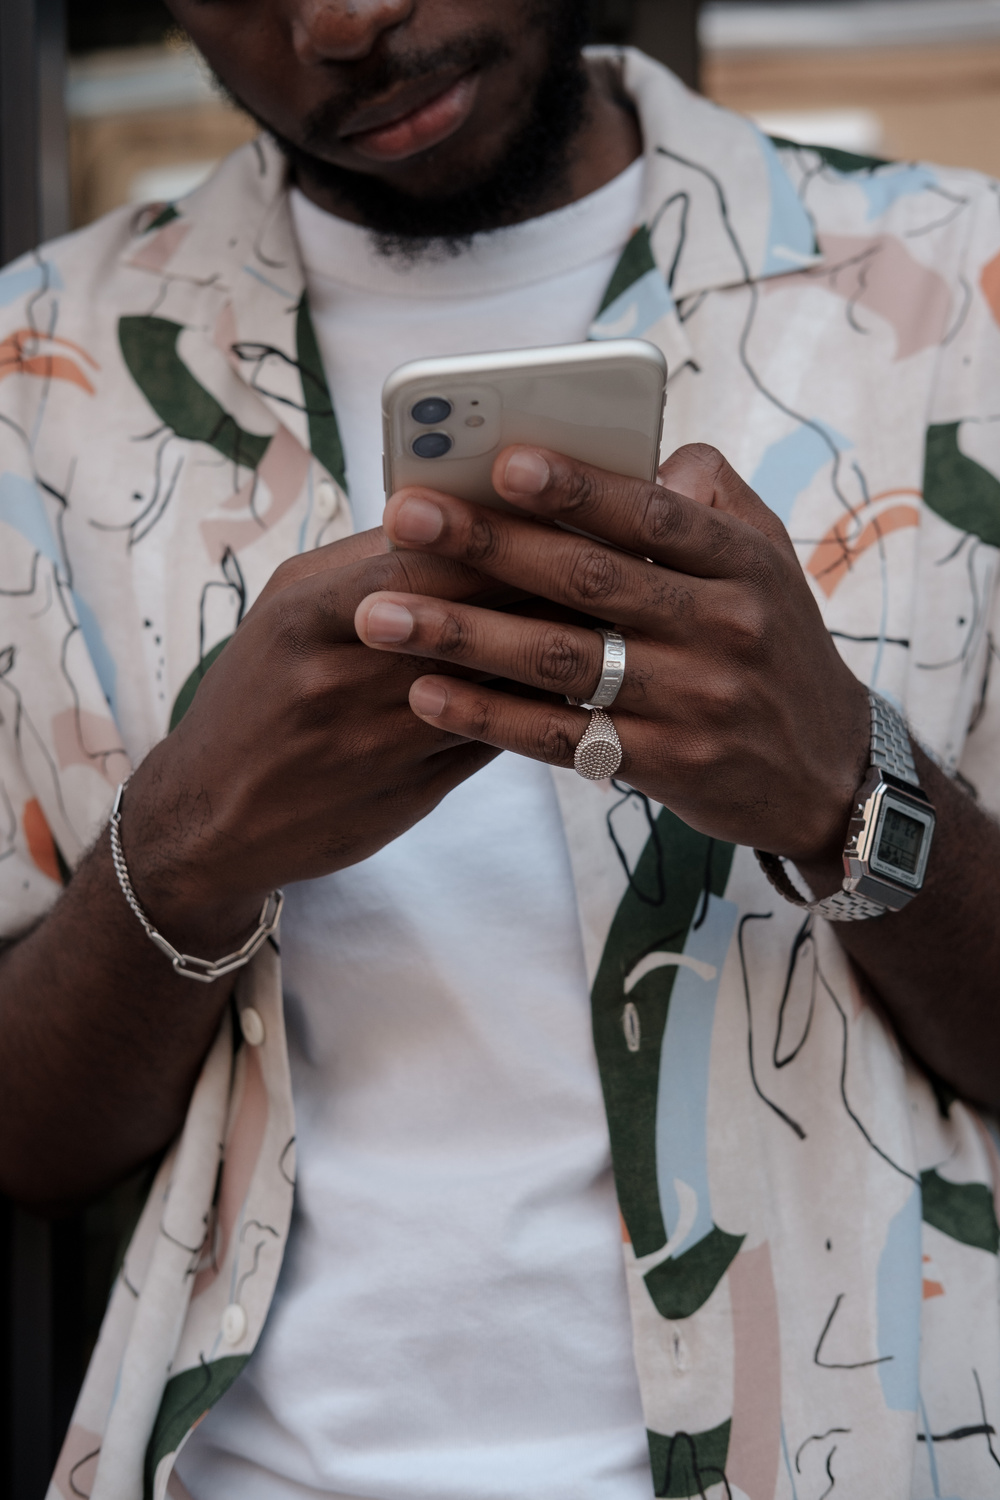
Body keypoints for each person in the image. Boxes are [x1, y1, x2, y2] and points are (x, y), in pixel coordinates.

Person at [2, 2, 999, 1496]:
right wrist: (192, 844)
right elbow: (29, 1141)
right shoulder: (34, 374)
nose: (341, 20)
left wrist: (846, 784)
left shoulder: (962, 292)